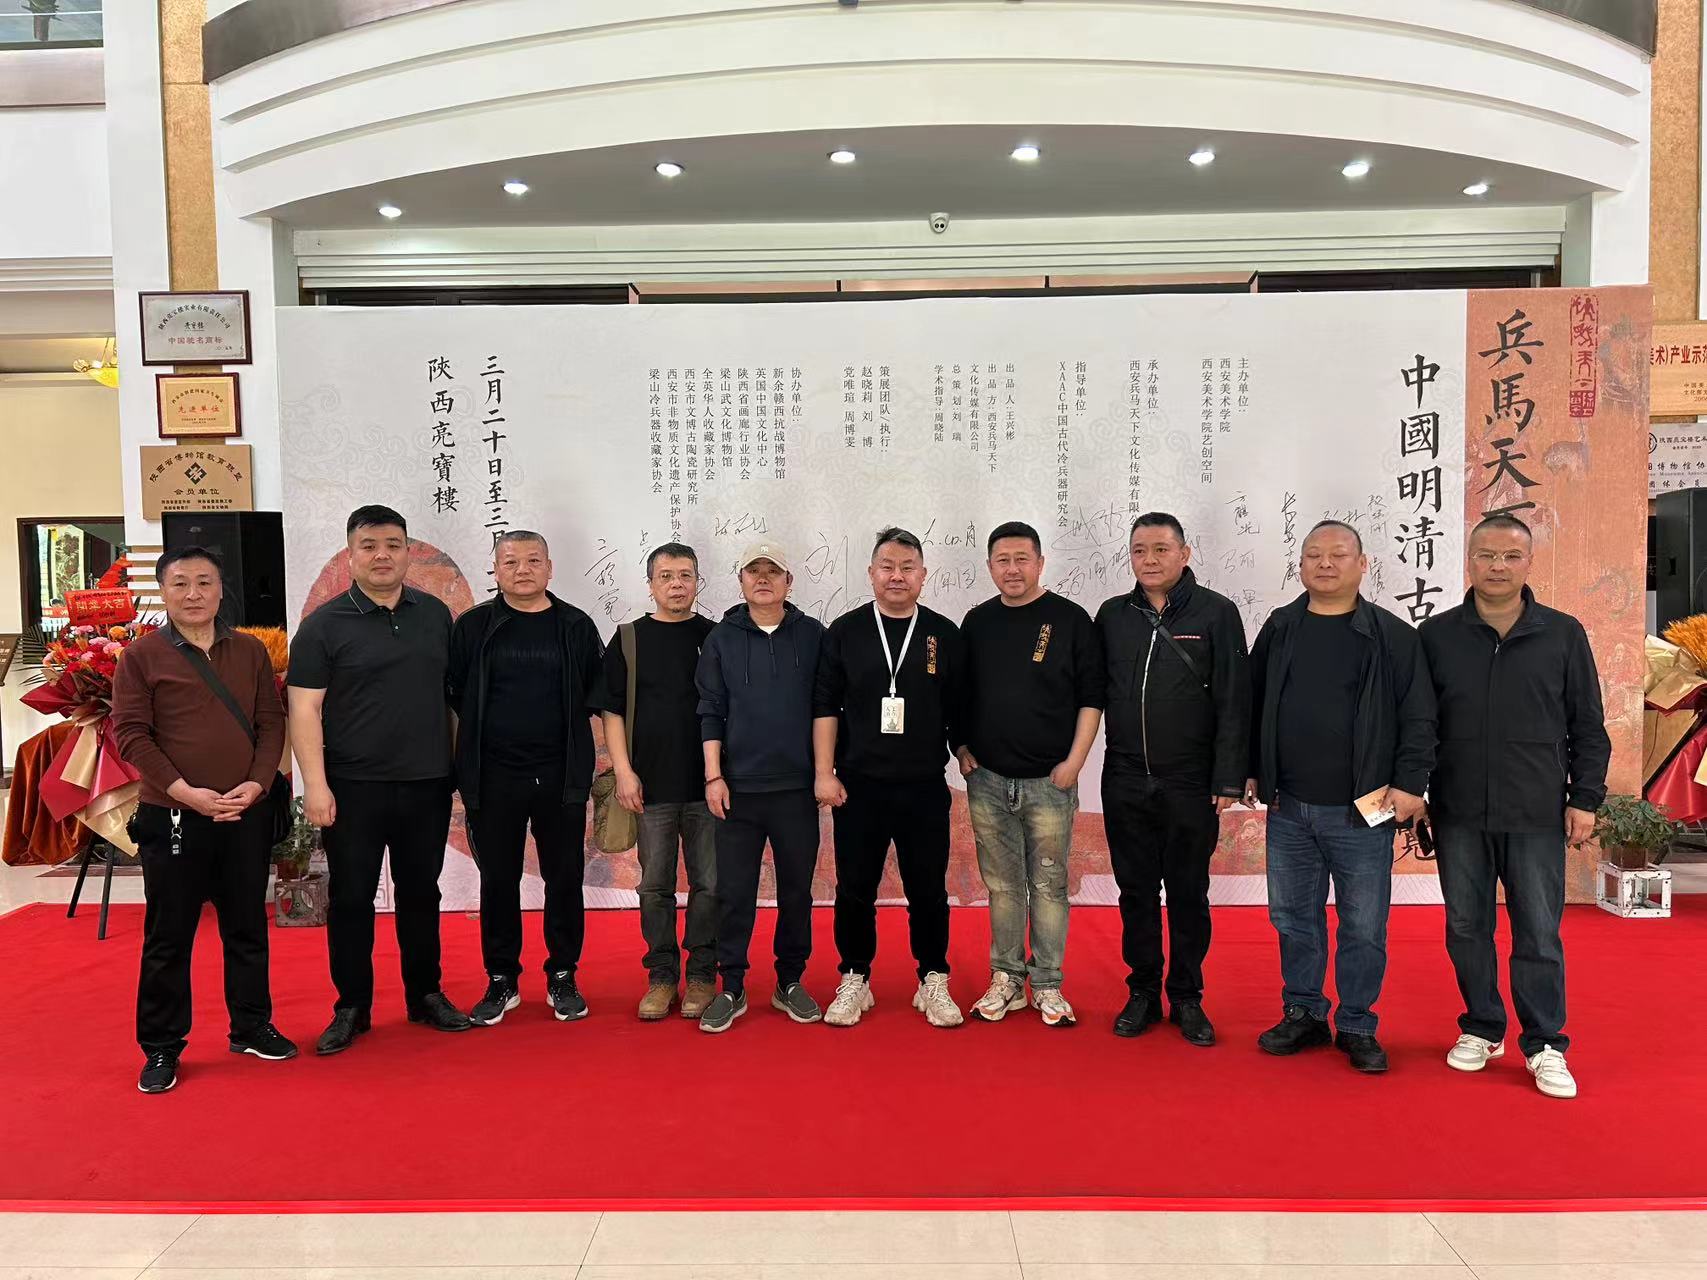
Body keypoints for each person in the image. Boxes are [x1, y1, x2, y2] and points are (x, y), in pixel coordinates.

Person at [1419, 514, 1609, 1100]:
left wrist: (1585, 798)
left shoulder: (1562, 633)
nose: (1497, 566)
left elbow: (1588, 726)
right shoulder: (1437, 635)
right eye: (1486, 555)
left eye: (1509, 556)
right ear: (1468, 559)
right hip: (1458, 811)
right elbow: (1418, 723)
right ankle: (1481, 1026)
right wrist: (1416, 792)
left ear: (1529, 562)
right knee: (1465, 926)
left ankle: (1546, 1042)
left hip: (1535, 812)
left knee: (1539, 931)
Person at [1245, 520, 1435, 1074]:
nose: (1324, 564)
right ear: (1301, 564)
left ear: (1362, 564)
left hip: (1365, 809)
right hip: (1289, 808)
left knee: (1363, 924)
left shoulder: (1393, 635)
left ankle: (1356, 1023)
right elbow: (1252, 703)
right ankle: (1304, 1012)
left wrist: (1411, 783)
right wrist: (1251, 771)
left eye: (1337, 554)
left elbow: (1419, 716)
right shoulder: (1281, 627)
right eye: (1313, 555)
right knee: (1292, 918)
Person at [288, 505, 472, 1054]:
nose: (382, 555)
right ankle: (352, 1007)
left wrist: (459, 769)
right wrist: (315, 785)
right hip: (352, 788)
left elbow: (453, 701)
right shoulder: (323, 625)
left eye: (393, 545)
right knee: (351, 899)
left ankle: (425, 995)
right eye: (368, 546)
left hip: (426, 782)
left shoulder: (435, 615)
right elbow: (304, 710)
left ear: (409, 551)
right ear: (350, 555)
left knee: (422, 893)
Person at [112, 546, 296, 1094]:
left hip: (244, 811)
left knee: (247, 926)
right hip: (172, 813)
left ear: (220, 589)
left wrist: (258, 785)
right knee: (169, 935)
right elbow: (131, 735)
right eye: (180, 583)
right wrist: (183, 792)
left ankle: (252, 1026)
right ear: (163, 591)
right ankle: (162, 1046)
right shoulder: (140, 656)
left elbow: (271, 722)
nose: (193, 594)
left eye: (204, 582)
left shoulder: (250, 651)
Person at [1094, 513, 1250, 1046]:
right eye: (1140, 550)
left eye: (1161, 549)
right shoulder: (1113, 615)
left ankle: (1186, 996)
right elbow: (1093, 693)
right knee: (1135, 892)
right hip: (1124, 777)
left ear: (1184, 554)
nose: (1150, 559)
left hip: (1191, 780)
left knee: (1188, 892)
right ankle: (1142, 991)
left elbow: (1234, 699)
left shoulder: (1216, 613)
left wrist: (1228, 778)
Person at [449, 530, 606, 1028]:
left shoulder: (575, 625)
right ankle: (501, 979)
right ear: (495, 570)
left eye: (533, 560)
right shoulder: (473, 626)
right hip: (493, 775)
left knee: (564, 877)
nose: (522, 570)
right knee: (498, 879)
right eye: (511, 561)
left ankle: (563, 974)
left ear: (550, 568)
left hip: (560, 775)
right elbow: (456, 693)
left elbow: (596, 694)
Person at [814, 527, 969, 1029]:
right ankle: (855, 976)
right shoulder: (845, 632)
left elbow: (959, 708)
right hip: (859, 785)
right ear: (871, 573)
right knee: (854, 888)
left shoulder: (944, 633)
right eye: (887, 567)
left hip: (923, 785)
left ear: (923, 575)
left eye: (907, 567)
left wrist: (964, 748)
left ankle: (933, 976)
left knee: (928, 889)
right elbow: (825, 707)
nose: (896, 576)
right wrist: (824, 772)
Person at [958, 520, 1104, 1027]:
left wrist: (1074, 763)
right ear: (989, 566)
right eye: (1002, 560)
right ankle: (1006, 978)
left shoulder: (1070, 619)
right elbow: (959, 694)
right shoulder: (977, 622)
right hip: (989, 781)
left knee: (1048, 885)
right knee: (1002, 886)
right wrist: (961, 746)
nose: (1012, 569)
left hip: (1050, 781)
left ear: (1040, 563)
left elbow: (1091, 698)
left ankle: (1047, 983)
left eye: (1022, 559)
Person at [694, 542, 826, 1033]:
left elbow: (826, 708)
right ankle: (732, 985)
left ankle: (789, 980)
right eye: (755, 571)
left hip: (796, 790)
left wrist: (824, 772)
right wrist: (713, 776)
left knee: (797, 892)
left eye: (774, 571)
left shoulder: (813, 635)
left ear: (789, 581)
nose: (764, 578)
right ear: (741, 580)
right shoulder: (721, 638)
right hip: (738, 791)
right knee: (734, 893)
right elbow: (710, 709)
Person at [596, 541, 719, 1020]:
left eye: (685, 575)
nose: (676, 585)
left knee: (710, 885)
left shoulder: (716, 637)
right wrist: (624, 771)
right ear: (650, 585)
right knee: (654, 887)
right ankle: (662, 977)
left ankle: (703, 976)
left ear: (697, 582)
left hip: (707, 787)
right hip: (649, 788)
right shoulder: (628, 638)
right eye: (665, 576)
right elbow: (611, 710)